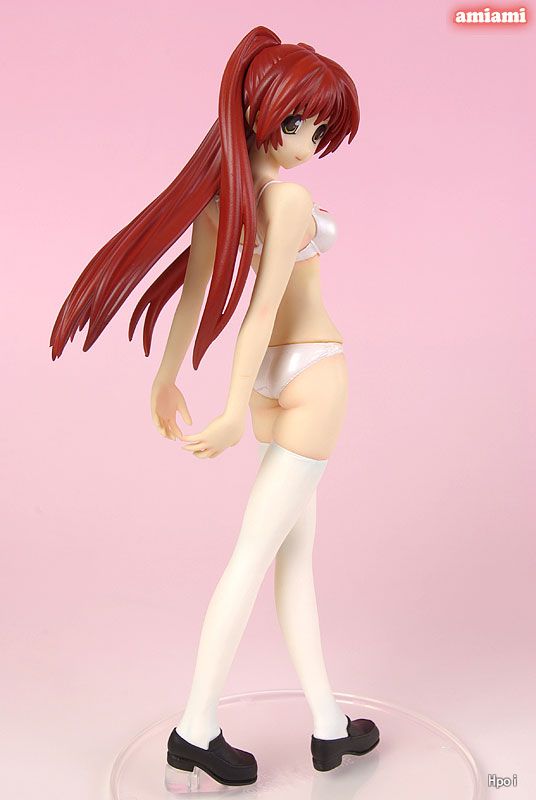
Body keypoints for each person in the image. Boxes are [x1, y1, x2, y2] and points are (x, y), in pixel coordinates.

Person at [50, 25, 379, 787]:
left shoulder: (223, 199)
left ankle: (330, 726)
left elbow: (196, 297)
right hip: (312, 379)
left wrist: (167, 377)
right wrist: (224, 408)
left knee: (292, 558)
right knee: (254, 559)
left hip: (271, 388)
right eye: (302, 124)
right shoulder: (288, 197)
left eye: (321, 130)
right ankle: (195, 729)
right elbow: (255, 309)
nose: (311, 144)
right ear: (265, 112)